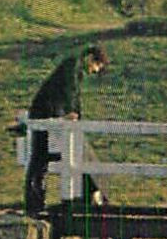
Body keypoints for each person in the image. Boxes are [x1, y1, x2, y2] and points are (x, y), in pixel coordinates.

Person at [24, 44, 108, 216]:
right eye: (97, 66)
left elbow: (73, 98)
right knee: (40, 159)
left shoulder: (75, 70)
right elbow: (68, 93)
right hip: (45, 117)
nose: (95, 71)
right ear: (90, 58)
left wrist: (75, 117)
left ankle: (37, 203)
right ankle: (35, 204)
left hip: (51, 117)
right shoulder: (72, 66)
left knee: (45, 160)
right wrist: (69, 114)